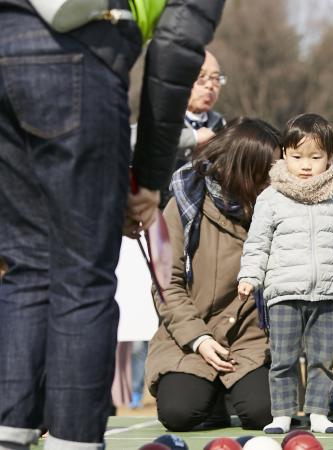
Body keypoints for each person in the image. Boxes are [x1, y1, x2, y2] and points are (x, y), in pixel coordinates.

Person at [0, 1, 224, 449]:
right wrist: (149, 178)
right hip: (81, 51)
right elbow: (176, 49)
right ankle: (74, 441)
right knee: (82, 276)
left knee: (26, 267)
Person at [145, 118, 333, 431]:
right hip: (191, 337)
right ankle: (209, 395)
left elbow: (314, 275)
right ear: (245, 169)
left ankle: (231, 392)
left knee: (265, 413)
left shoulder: (283, 207)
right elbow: (165, 286)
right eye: (269, 167)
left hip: (251, 343)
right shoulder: (183, 207)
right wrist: (198, 339)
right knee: (179, 413)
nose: (281, 172)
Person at [237, 113, 333, 435]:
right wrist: (249, 276)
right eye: (297, 156)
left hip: (327, 293)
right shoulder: (270, 198)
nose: (306, 165)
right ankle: (282, 414)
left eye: (315, 157)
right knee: (283, 358)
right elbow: (258, 243)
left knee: (322, 359)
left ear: (330, 157)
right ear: (284, 154)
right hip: (283, 292)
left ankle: (319, 414)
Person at [159, 50, 227, 208]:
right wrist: (194, 137)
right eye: (201, 77)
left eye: (216, 79)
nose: (210, 86)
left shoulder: (220, 124)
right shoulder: (162, 118)